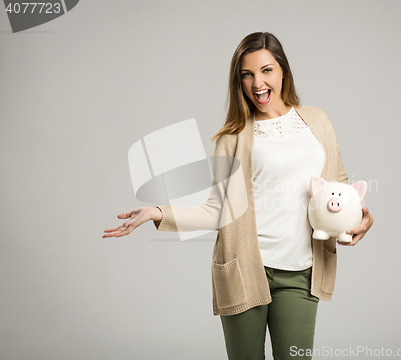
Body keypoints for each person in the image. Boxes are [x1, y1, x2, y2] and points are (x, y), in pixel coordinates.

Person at [103, 32, 374, 360]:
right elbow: (218, 210)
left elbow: (340, 188)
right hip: (246, 269)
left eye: (266, 70)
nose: (257, 82)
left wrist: (363, 217)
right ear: (239, 81)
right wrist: (157, 213)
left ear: (283, 70)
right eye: (247, 74)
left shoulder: (318, 122)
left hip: (301, 271)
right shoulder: (232, 138)